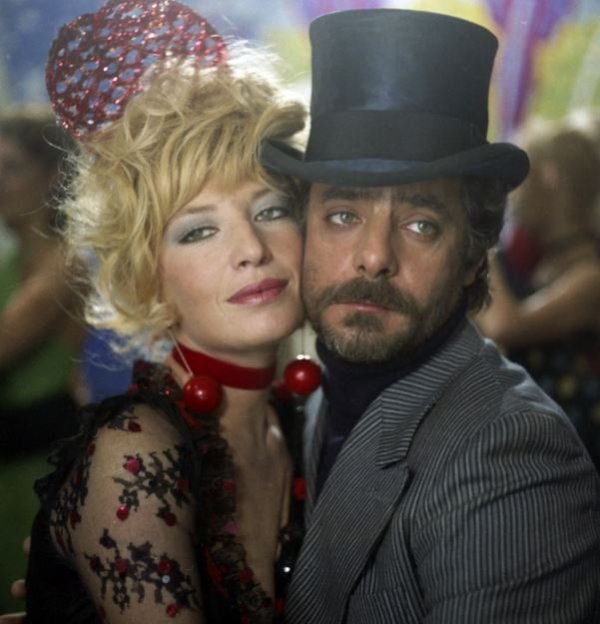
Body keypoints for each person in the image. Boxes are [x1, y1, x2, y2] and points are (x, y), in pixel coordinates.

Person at [259, 9, 600, 622]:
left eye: (421, 225)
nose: (374, 257)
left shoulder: (510, 457)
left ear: (472, 257)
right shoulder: (307, 404)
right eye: (343, 215)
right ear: (302, 227)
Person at [19, 0, 310, 622]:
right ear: (146, 272)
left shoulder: (304, 422)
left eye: (270, 209)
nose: (252, 249)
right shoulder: (134, 456)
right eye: (198, 231)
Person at [476, 119, 600, 470]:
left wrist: (479, 234)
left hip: (570, 455)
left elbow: (505, 325)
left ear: (549, 177)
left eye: (522, 182)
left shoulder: (590, 277)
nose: (515, 196)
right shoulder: (544, 263)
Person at [0, 107, 82, 455]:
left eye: (11, 168)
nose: (0, 182)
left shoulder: (65, 264)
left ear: (52, 176)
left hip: (43, 462)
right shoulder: (10, 264)